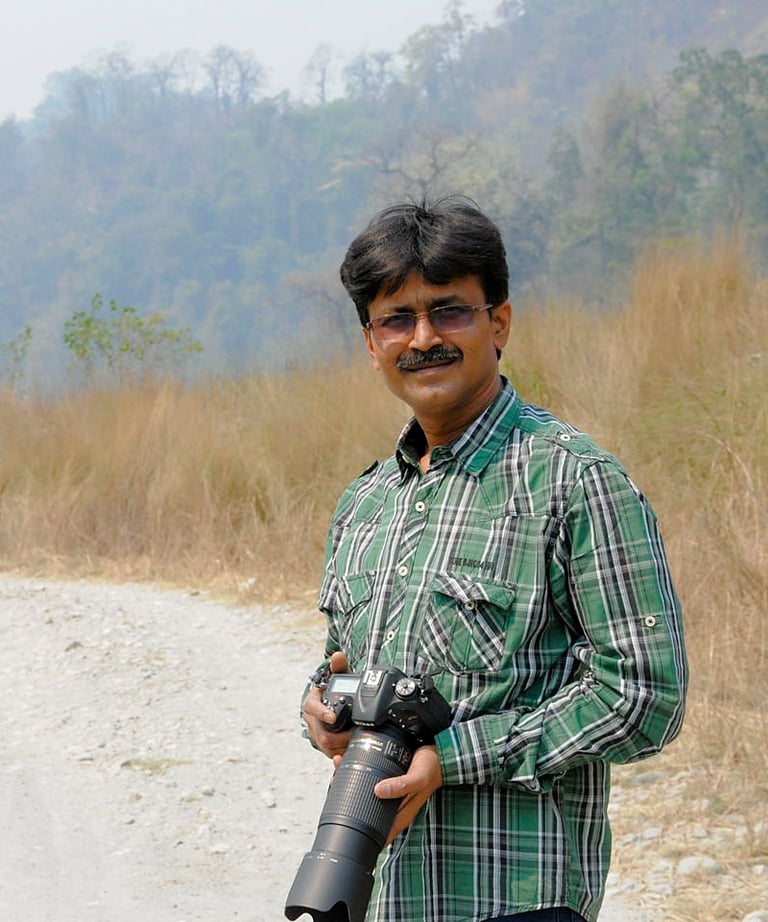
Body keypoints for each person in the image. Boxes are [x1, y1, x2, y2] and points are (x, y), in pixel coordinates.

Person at [300, 196, 688, 922]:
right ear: (370, 341)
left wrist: (458, 757)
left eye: (449, 312)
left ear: (498, 322)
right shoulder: (366, 503)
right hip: (381, 896)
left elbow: (645, 695)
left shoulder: (574, 480)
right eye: (396, 319)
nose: (423, 339)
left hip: (516, 901)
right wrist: (321, 707)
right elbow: (343, 664)